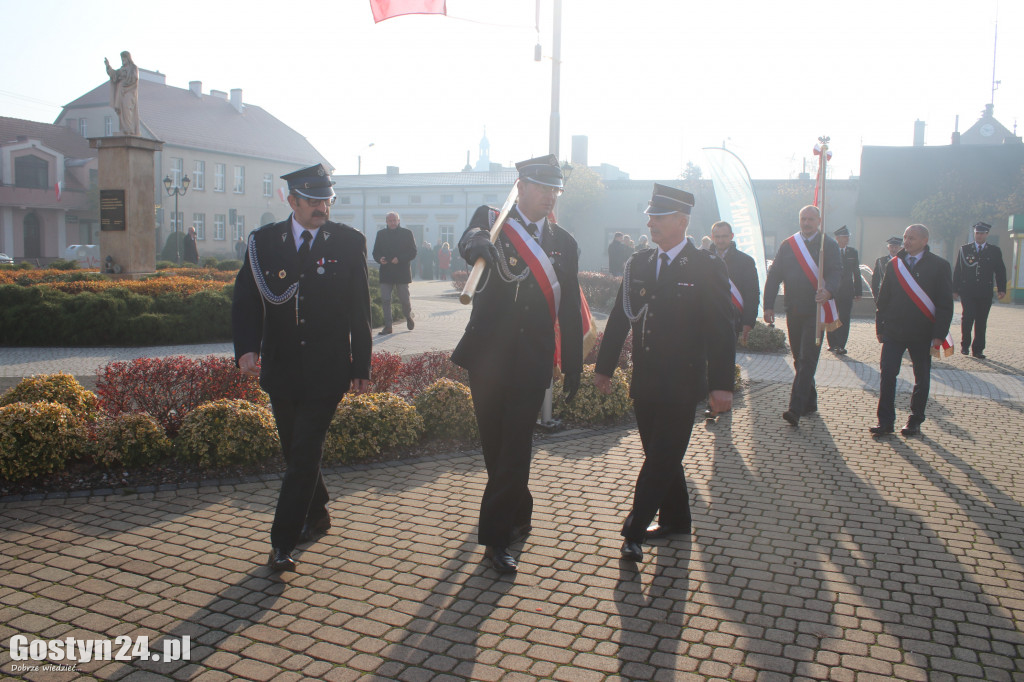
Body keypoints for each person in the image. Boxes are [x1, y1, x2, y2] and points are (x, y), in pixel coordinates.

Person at [232, 163, 372, 572]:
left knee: (305, 453)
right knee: (294, 449)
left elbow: (360, 308)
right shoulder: (263, 242)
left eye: (327, 199)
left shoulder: (348, 241)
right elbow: (246, 298)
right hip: (281, 367)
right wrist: (246, 348)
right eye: (312, 200)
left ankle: (282, 541)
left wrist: (361, 365)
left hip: (327, 368)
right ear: (291, 200)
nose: (321, 207)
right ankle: (318, 511)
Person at [451, 154, 583, 575]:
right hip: (487, 357)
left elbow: (569, 308)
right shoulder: (493, 221)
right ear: (521, 187)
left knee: (515, 447)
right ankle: (520, 510)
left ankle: (496, 538)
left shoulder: (564, 242)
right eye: (542, 187)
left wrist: (574, 364)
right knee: (495, 447)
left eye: (554, 189)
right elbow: (470, 239)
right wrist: (476, 245)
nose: (549, 196)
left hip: (531, 359)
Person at [594, 184, 735, 563]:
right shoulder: (638, 263)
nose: (651, 223)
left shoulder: (706, 266)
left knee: (660, 458)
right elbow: (621, 316)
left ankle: (634, 531)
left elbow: (721, 329)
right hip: (646, 379)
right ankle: (676, 519)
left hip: (683, 382)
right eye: (650, 216)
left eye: (659, 217)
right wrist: (604, 368)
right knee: (660, 454)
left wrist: (722, 385)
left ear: (682, 221)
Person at [871, 224, 953, 437]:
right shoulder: (894, 264)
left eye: (912, 238)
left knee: (921, 378)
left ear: (924, 241)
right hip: (894, 331)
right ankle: (885, 421)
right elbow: (883, 298)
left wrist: (939, 335)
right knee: (888, 374)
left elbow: (945, 304)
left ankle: (915, 420)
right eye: (905, 237)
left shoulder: (939, 266)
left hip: (922, 333)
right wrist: (880, 326)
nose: (906, 242)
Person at [763, 205, 840, 427]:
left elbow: (836, 272)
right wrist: (768, 305)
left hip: (817, 311)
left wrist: (829, 291)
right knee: (799, 359)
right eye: (803, 219)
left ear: (819, 221)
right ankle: (810, 402)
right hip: (794, 309)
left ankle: (795, 409)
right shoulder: (788, 245)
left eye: (811, 219)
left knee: (808, 359)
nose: (806, 223)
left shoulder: (828, 245)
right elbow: (774, 275)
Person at [953, 222, 1007, 359]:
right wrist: (955, 289)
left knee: (981, 320)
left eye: (982, 233)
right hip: (968, 291)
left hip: (985, 291)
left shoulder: (994, 250)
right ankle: (965, 345)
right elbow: (958, 270)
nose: (979, 236)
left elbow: (1000, 271)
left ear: (987, 234)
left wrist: (1001, 289)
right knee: (967, 317)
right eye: (977, 233)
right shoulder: (965, 249)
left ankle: (978, 349)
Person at [709, 220, 759, 346]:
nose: (720, 240)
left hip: (732, 320)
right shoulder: (702, 259)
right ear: (712, 237)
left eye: (724, 236)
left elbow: (752, 294)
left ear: (731, 236)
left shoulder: (746, 261)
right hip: (706, 319)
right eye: (717, 237)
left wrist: (748, 322)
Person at [372, 212, 417, 335]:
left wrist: (400, 259)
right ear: (386, 222)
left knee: (404, 299)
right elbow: (375, 252)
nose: (392, 223)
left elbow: (413, 252)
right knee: (385, 299)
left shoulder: (407, 233)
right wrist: (379, 259)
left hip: (402, 272)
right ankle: (388, 326)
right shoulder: (381, 234)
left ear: (398, 221)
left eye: (394, 220)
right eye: (390, 221)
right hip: (386, 272)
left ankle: (407, 316)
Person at [825, 225, 863, 354]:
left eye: (847, 237)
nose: (846, 239)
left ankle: (841, 344)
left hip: (847, 291)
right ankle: (832, 343)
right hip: (832, 290)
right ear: (837, 238)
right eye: (844, 237)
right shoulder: (830, 251)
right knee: (831, 316)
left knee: (845, 318)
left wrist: (858, 291)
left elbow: (856, 273)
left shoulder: (852, 252)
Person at [104, 51, 139, 136]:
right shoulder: (121, 69)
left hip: (129, 91)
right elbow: (114, 75)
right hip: (120, 92)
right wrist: (108, 66)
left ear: (128, 58)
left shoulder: (133, 68)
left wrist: (124, 79)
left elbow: (134, 78)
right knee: (121, 111)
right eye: (122, 59)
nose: (123, 60)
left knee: (127, 108)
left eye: (124, 58)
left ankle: (129, 129)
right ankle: (124, 129)